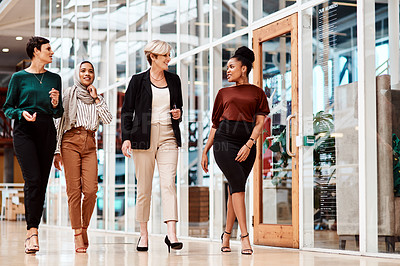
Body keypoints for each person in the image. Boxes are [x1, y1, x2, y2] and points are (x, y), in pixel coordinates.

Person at [201, 46, 270, 255]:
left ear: (244, 68)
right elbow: (214, 125)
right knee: (238, 186)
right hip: (224, 142)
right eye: (227, 67)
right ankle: (245, 237)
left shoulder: (258, 93)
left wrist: (249, 144)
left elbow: (260, 124)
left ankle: (226, 236)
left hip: (247, 143)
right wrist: (205, 150)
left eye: (232, 67)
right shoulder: (223, 93)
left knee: (235, 187)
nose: (228, 70)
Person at [121, 40, 183, 253]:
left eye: (169, 55)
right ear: (153, 58)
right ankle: (144, 234)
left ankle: (171, 233)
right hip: (142, 137)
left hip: (168, 136)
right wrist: (126, 137)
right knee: (144, 188)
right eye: (165, 55)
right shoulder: (138, 81)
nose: (169, 59)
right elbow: (127, 110)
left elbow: (178, 108)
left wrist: (178, 114)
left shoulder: (174, 80)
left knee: (168, 184)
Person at [3, 36, 63, 254]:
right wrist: (21, 113)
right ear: (36, 51)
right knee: (33, 179)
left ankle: (33, 228)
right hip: (24, 130)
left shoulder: (55, 78)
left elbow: (59, 112)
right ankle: (32, 231)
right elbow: (8, 108)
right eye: (48, 49)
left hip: (47, 130)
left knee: (42, 183)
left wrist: (56, 103)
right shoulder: (18, 78)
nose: (52, 52)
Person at [53, 61, 112, 253]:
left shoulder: (96, 97)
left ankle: (84, 226)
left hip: (90, 143)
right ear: (77, 73)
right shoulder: (69, 94)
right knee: (74, 191)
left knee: (92, 190)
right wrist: (56, 151)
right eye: (83, 70)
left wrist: (97, 99)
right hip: (70, 140)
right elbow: (58, 123)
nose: (87, 74)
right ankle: (78, 233)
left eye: (91, 71)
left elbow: (108, 119)